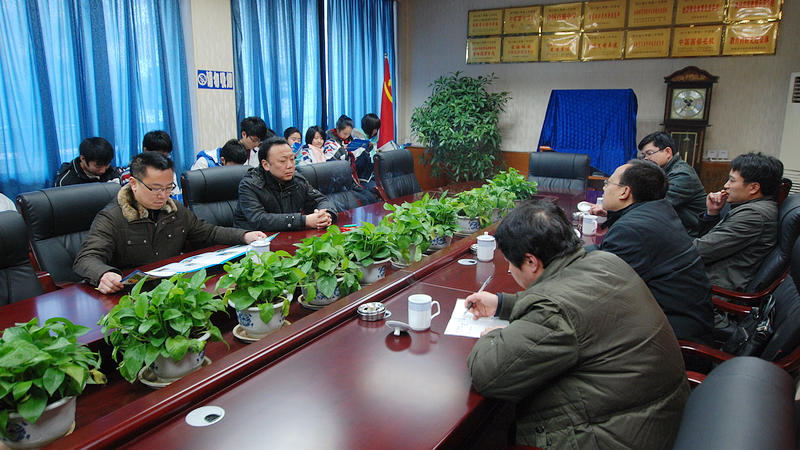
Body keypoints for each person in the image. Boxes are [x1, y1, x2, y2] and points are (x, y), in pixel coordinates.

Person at [465, 200, 690, 449]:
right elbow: (572, 303)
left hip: (613, 436)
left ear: (531, 262)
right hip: (658, 420)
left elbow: (487, 374)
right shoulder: (605, 261)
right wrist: (502, 304)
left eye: (509, 262)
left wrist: (492, 336)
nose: (509, 269)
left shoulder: (553, 312)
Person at [74, 152, 265, 294]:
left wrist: (244, 235)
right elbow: (86, 258)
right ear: (133, 184)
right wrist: (104, 274)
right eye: (156, 188)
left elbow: (207, 232)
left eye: (168, 188)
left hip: (172, 288)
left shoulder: (174, 209)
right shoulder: (112, 217)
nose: (163, 195)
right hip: (133, 295)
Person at [588, 160, 714, 370]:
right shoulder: (657, 210)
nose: (604, 187)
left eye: (608, 183)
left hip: (670, 344)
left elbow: (600, 289)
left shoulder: (633, 229)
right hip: (687, 324)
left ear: (624, 192)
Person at [694, 152, 783, 292]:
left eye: (732, 181)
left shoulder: (753, 215)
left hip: (712, 290)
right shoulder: (752, 207)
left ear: (754, 188)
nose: (726, 185)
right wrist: (712, 213)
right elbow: (709, 243)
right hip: (705, 278)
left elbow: (700, 250)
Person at [591, 132, 707, 237]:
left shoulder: (682, 175)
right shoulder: (663, 172)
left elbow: (654, 204)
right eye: (644, 156)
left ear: (667, 152)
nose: (646, 159)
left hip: (688, 234)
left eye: (650, 153)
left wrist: (614, 208)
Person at [232, 136, 337, 231]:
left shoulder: (297, 180)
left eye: (292, 159)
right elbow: (259, 219)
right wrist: (304, 221)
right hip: (254, 242)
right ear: (266, 165)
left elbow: (322, 201)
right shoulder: (250, 184)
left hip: (287, 236)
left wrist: (325, 216)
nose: (290, 165)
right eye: (283, 161)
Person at [119, 131, 182, 201]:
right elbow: (133, 201)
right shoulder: (129, 174)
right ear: (145, 150)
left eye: (165, 156)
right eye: (158, 155)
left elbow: (175, 196)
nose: (162, 159)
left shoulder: (167, 171)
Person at [54, 137, 121, 187]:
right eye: (98, 166)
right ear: (83, 159)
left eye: (106, 165)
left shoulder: (111, 171)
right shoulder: (67, 180)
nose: (103, 171)